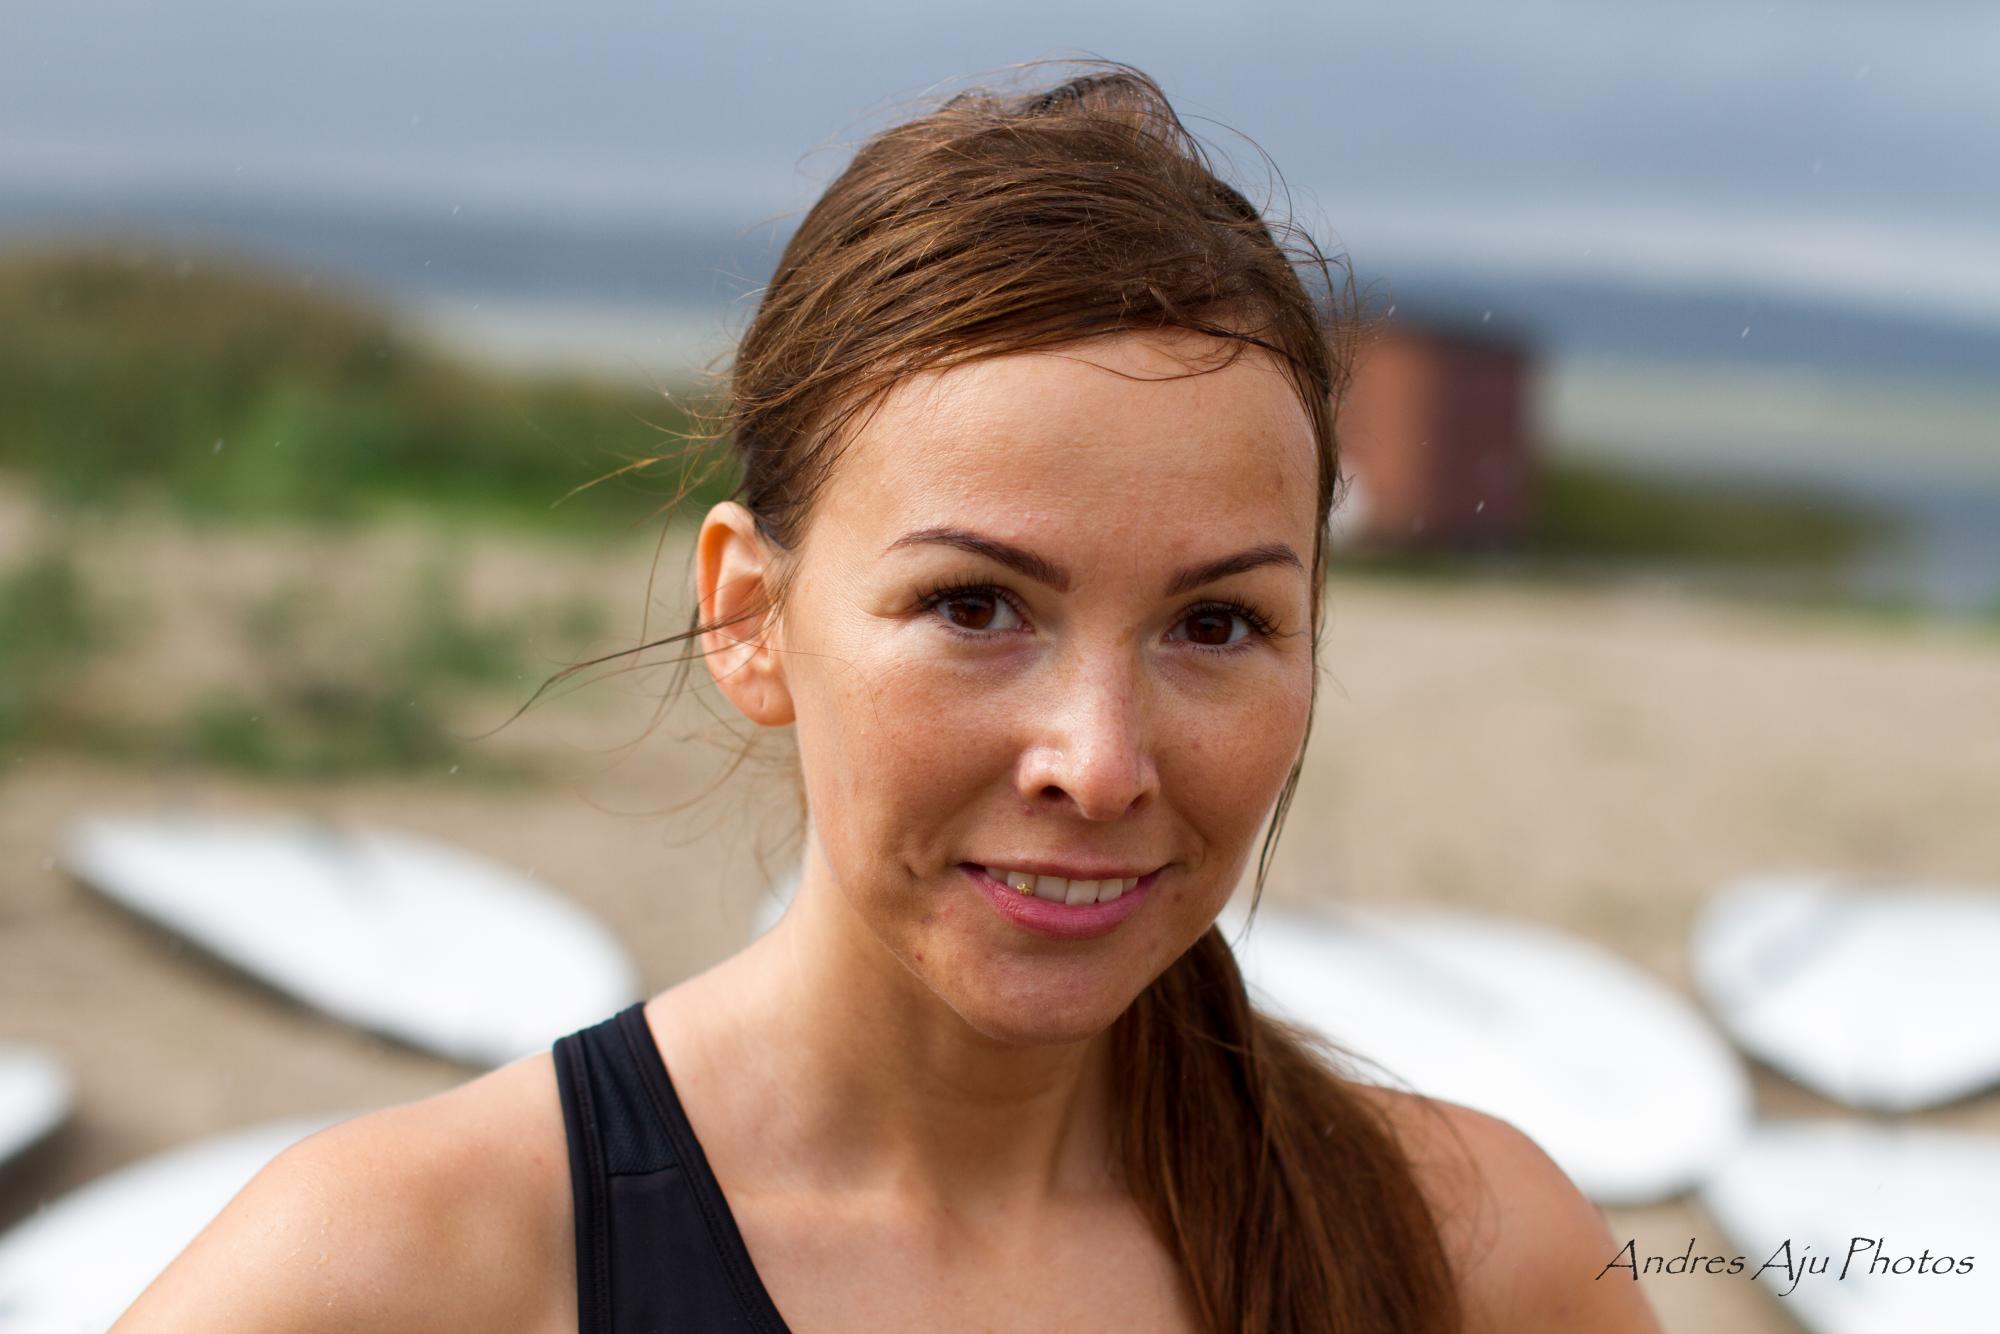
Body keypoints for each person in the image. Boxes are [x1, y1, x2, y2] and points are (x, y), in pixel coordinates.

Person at [113, 62, 1662, 1333]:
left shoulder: (1480, 1259)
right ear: (749, 619)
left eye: (1215, 622)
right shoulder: (415, 1268)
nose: (1100, 762)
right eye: (975, 605)